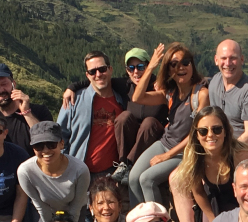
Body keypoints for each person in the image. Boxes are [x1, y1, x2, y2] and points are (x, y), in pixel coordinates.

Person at [61, 48, 168, 184]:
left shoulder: (161, 87)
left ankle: (129, 164)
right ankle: (124, 164)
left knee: (149, 122)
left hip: (152, 143)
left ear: (149, 66)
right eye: (131, 68)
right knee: (124, 116)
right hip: (126, 147)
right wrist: (72, 87)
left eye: (141, 66)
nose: (136, 71)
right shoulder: (124, 86)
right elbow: (97, 81)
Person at [128, 42, 210, 207]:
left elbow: (196, 134)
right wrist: (150, 67)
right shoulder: (170, 93)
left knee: (147, 179)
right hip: (165, 143)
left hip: (185, 152)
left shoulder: (200, 94)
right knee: (133, 178)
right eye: (174, 64)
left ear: (192, 65)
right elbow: (137, 97)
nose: (181, 67)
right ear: (168, 69)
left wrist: (167, 156)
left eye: (185, 62)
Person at [170, 106, 248, 222]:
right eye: (203, 131)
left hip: (245, 207)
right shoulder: (195, 158)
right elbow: (198, 192)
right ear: (196, 135)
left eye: (216, 129)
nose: (210, 135)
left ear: (225, 131)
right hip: (214, 205)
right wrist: (213, 220)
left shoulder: (241, 155)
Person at [57, 50, 128, 177]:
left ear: (110, 69)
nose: (98, 74)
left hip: (112, 174)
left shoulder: (123, 100)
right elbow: (60, 136)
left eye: (102, 69)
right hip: (77, 173)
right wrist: (63, 168)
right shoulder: (74, 100)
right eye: (92, 71)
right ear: (87, 75)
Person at [17, 121, 91, 222]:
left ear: (61, 144)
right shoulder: (25, 171)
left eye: (51, 144)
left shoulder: (80, 169)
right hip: (46, 212)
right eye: (39, 146)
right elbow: (40, 206)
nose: (46, 150)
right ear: (33, 148)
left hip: (76, 211)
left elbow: (76, 206)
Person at [0, 62, 54, 156]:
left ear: (14, 84)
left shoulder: (40, 112)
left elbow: (49, 143)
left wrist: (26, 113)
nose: (0, 90)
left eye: (4, 84)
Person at [208, 39, 248, 143]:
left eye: (233, 58)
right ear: (216, 60)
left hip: (238, 149)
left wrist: (228, 152)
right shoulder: (215, 81)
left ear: (242, 59)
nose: (228, 63)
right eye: (223, 58)